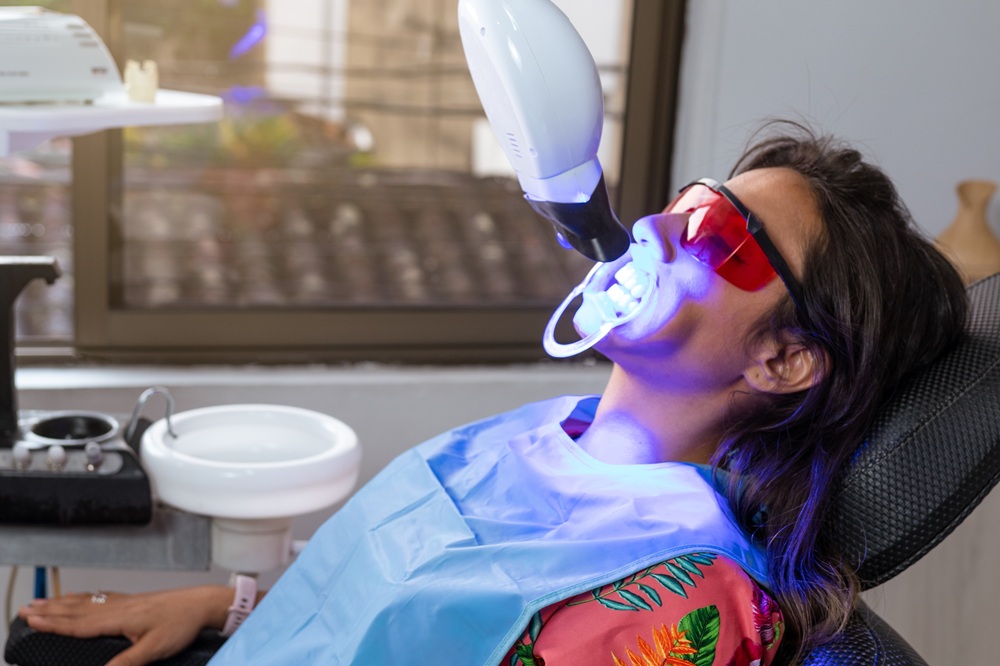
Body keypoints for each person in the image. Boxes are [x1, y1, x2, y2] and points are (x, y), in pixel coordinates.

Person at [18, 122, 968, 666]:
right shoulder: (551, 434)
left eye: (718, 232)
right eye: (688, 200)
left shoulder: (687, 598)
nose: (654, 228)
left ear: (785, 360)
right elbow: (419, 612)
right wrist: (231, 604)